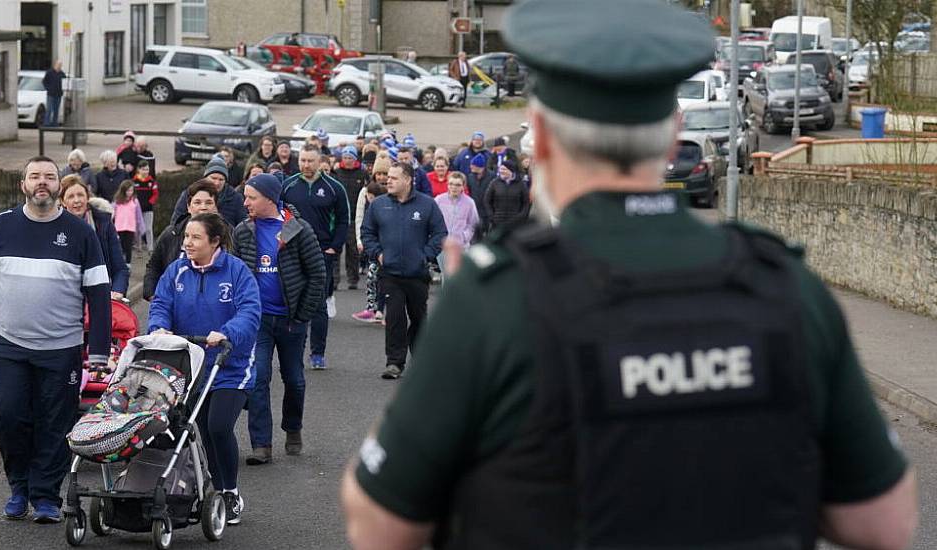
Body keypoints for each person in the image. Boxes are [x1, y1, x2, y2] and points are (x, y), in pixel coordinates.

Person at [341, 1, 919, 549]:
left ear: (539, 137)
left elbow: (378, 525)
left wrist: (451, 352)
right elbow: (884, 522)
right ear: (672, 134)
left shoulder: (497, 301)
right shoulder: (784, 286)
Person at [0, 155, 111, 523]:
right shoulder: (1, 226)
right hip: (9, 347)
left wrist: (97, 349)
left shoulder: (81, 233)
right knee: (7, 414)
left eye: (49, 176)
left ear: (59, 185)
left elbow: (98, 292)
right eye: (35, 176)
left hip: (61, 350)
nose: (42, 182)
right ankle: (19, 487)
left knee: (55, 423)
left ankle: (45, 496)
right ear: (23, 185)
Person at [149, 212, 260, 526]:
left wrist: (227, 332)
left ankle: (230, 492)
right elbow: (160, 303)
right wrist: (159, 327)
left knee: (219, 426)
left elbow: (250, 311)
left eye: (195, 237)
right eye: (186, 237)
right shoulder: (176, 271)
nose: (187, 243)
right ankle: (214, 486)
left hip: (230, 364)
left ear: (215, 241)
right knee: (202, 431)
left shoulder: (237, 272)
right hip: (192, 365)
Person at [234, 174, 326, 465]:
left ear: (270, 199)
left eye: (251, 197)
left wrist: (302, 314)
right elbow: (236, 274)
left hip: (290, 320)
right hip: (257, 320)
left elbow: (317, 275)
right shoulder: (243, 231)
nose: (245, 202)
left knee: (295, 380)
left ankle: (293, 428)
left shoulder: (298, 230)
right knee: (259, 378)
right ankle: (262, 444)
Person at [360, 161, 447, 380]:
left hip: (417, 274)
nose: (387, 180)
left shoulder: (427, 205)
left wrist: (425, 255)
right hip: (389, 273)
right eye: (387, 177)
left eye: (394, 177)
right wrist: (378, 254)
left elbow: (439, 233)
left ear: (407, 180)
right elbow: (367, 232)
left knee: (419, 318)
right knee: (395, 318)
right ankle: (394, 363)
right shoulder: (379, 205)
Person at [281, 144, 351, 370]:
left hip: (321, 252)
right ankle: (293, 351)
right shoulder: (288, 185)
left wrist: (334, 247)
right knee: (290, 303)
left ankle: (318, 353)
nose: (305, 165)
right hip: (292, 252)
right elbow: (281, 216)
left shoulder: (333, 188)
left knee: (318, 304)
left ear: (320, 162)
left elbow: (343, 219)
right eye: (302, 160)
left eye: (310, 161)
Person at [144, 179, 219, 301]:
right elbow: (154, 266)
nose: (203, 207)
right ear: (189, 207)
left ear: (216, 207)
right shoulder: (171, 234)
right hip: (174, 309)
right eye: (197, 202)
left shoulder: (228, 235)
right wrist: (153, 295)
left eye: (209, 202)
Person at [60, 175, 129, 299]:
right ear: (63, 201)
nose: (77, 200)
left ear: (87, 197)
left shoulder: (104, 223)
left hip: (99, 295)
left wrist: (117, 291)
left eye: (80, 195)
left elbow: (120, 269)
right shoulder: (55, 228)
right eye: (71, 196)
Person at [170, 156, 248, 227]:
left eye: (221, 179)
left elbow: (243, 226)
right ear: (205, 178)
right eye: (213, 178)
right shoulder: (189, 194)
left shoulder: (235, 198)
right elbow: (176, 222)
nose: (217, 183)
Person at [351, 181, 388, 323]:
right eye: (368, 196)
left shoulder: (384, 207)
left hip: (385, 249)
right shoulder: (370, 209)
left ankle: (381, 310)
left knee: (385, 282)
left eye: (372, 197)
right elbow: (366, 227)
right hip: (374, 250)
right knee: (372, 278)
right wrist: (363, 242)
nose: (369, 199)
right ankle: (371, 308)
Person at [334, 145, 368, 290]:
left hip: (354, 217)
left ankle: (353, 279)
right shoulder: (336, 172)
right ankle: (334, 280)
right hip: (338, 216)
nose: (347, 161)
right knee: (335, 249)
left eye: (350, 158)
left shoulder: (362, 173)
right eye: (345, 157)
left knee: (353, 250)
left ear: (355, 159)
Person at [434, 171, 479, 272]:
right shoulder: (439, 200)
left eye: (458, 185)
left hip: (461, 247)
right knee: (446, 278)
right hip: (442, 246)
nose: (454, 187)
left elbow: (473, 224)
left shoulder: (469, 203)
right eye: (451, 184)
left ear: (463, 186)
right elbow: (432, 221)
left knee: (459, 277)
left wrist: (464, 237)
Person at [483, 159, 529, 231]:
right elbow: (487, 200)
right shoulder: (494, 183)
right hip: (497, 223)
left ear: (511, 171)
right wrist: (492, 216)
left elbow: (526, 203)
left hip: (515, 224)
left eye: (504, 169)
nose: (501, 171)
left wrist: (521, 217)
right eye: (500, 169)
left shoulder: (521, 184)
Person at [112, 179, 146, 264]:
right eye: (128, 190)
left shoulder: (135, 201)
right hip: (119, 228)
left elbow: (139, 216)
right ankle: (120, 263)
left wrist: (142, 228)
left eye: (131, 190)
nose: (130, 192)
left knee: (128, 247)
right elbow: (111, 213)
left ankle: (128, 264)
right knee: (120, 247)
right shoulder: (117, 202)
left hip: (130, 228)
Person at [131, 160, 159, 253]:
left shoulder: (152, 181)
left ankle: (150, 247)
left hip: (148, 209)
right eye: (143, 169)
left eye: (147, 169)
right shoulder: (134, 181)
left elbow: (155, 194)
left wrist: (150, 202)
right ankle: (138, 247)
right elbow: (131, 194)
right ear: (138, 170)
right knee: (137, 228)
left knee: (148, 228)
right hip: (136, 209)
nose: (146, 171)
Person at [41, 60, 65, 127]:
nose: (59, 66)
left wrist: (62, 90)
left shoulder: (62, 74)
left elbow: (65, 83)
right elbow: (44, 81)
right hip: (51, 94)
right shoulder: (49, 72)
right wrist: (48, 88)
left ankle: (55, 123)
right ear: (55, 65)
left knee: (56, 109)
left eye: (60, 65)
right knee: (49, 109)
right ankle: (46, 123)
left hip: (59, 94)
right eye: (58, 65)